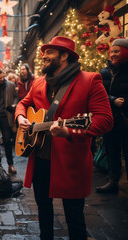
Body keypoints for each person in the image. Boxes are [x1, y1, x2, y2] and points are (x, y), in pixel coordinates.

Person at [15, 36, 113, 240]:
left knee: (74, 217)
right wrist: (21, 117)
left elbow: (105, 119)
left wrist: (70, 132)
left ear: (65, 55)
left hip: (71, 161)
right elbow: (23, 103)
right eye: (44, 52)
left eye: (50, 52)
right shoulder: (39, 81)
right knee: (44, 211)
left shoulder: (90, 80)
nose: (43, 55)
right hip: (40, 157)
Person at [96, 38, 128, 194]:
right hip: (111, 119)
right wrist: (113, 100)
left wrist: (125, 102)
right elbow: (99, 95)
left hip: (126, 119)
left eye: (117, 51)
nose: (114, 54)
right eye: (112, 51)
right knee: (112, 152)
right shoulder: (104, 72)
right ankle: (112, 181)